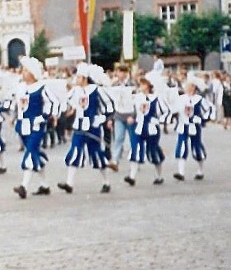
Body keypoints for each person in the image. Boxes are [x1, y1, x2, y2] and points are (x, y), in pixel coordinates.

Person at [57, 63, 114, 195]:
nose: (76, 79)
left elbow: (109, 106)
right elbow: (66, 102)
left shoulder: (96, 90)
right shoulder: (75, 91)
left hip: (92, 128)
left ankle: (106, 182)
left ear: (84, 78)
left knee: (96, 155)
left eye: (78, 77)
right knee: (75, 151)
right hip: (79, 127)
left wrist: (101, 119)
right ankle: (69, 184)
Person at [12, 57, 57, 199]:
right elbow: (17, 105)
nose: (23, 73)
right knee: (34, 153)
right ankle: (45, 185)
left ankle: (23, 186)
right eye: (23, 70)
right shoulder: (20, 87)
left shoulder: (42, 87)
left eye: (26, 70)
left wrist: (43, 117)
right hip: (23, 126)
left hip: (36, 126)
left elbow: (54, 103)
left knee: (30, 153)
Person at [124, 75, 169, 186]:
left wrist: (158, 120)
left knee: (152, 151)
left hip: (152, 129)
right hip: (138, 127)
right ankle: (132, 177)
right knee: (136, 149)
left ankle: (159, 176)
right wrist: (131, 117)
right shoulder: (137, 97)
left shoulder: (156, 98)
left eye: (144, 84)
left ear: (149, 86)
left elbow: (166, 111)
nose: (141, 86)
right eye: (141, 84)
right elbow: (132, 110)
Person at [173, 77, 213, 181]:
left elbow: (209, 110)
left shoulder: (199, 100)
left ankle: (200, 170)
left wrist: (201, 119)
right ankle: (181, 173)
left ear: (193, 87)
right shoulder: (180, 98)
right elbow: (174, 110)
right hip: (183, 126)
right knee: (181, 146)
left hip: (194, 127)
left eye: (188, 86)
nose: (186, 87)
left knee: (197, 147)